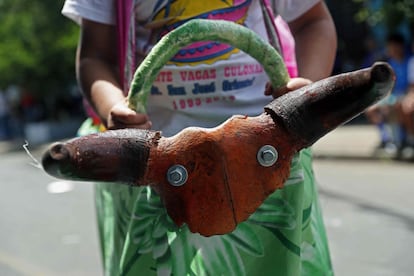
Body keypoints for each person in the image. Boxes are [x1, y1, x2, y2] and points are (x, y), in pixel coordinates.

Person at [62, 0, 337, 274]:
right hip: (160, 161)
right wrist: (113, 106)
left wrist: (307, 92)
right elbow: (94, 57)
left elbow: (313, 22)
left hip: (268, 145)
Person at [365, 33, 410, 158]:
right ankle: (386, 139)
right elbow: (390, 86)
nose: (391, 50)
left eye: (393, 46)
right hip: (393, 95)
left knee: (395, 107)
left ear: (400, 46)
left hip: (405, 95)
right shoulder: (390, 64)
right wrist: (384, 100)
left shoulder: (409, 61)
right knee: (371, 110)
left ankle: (400, 141)